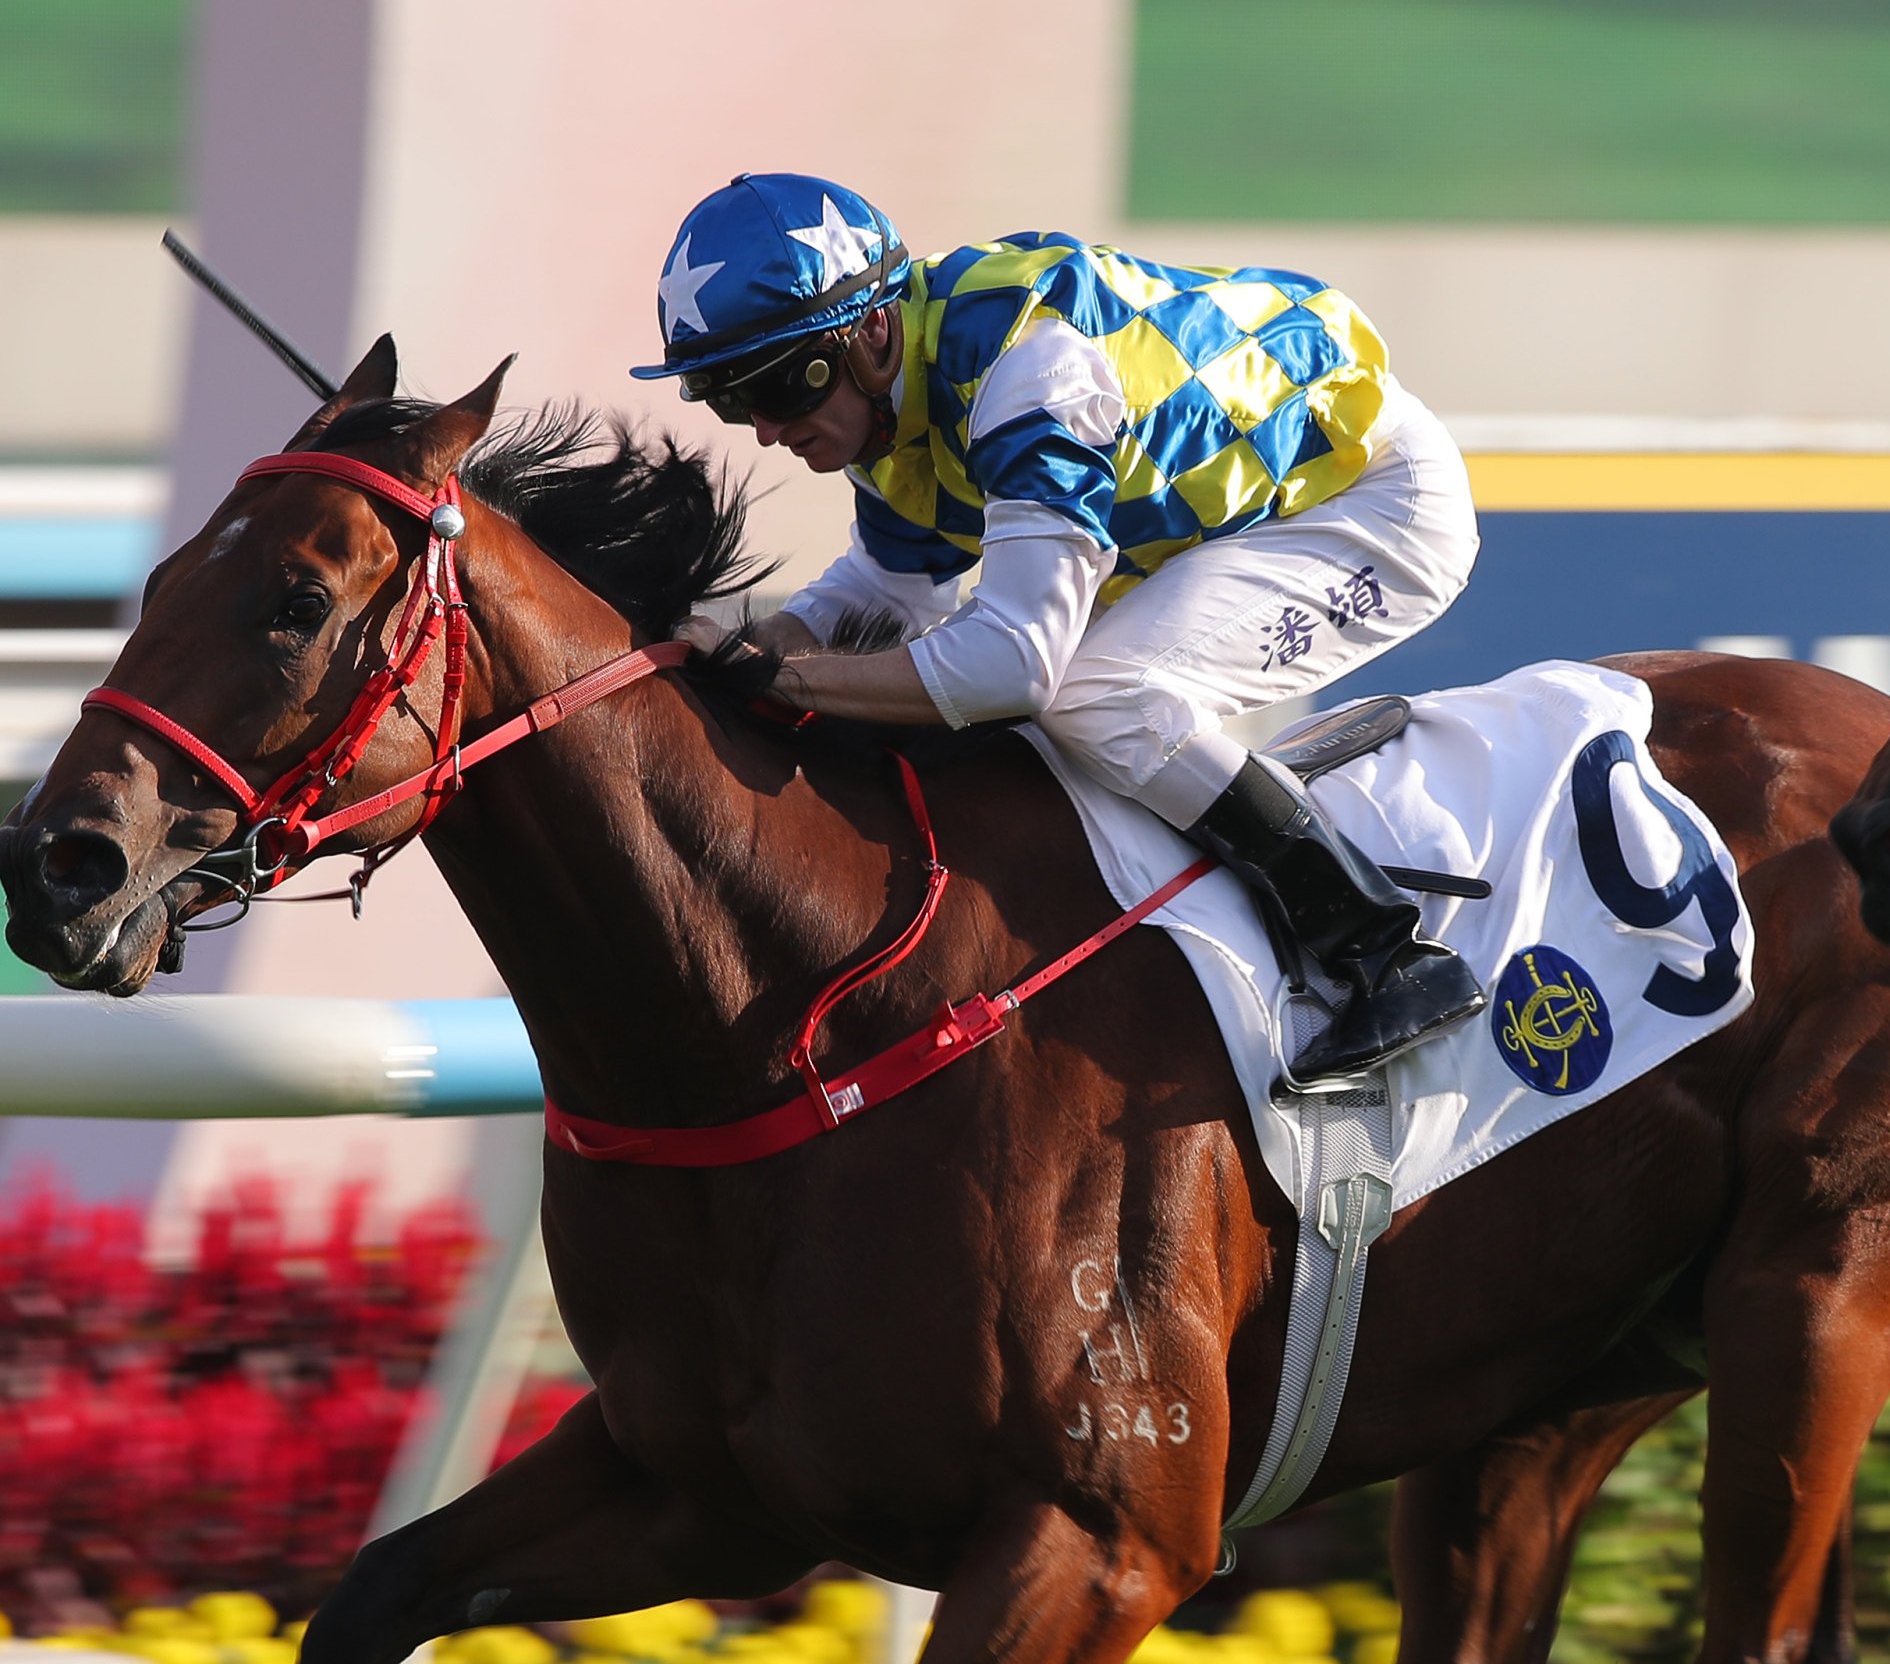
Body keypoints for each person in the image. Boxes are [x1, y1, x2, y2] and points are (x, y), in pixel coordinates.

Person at [633, 172, 1486, 1086]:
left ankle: (1383, 952)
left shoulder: (1028, 375)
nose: (765, 430)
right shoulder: (894, 400)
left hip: (1370, 503)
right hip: (1236, 521)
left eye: (778, 385)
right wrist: (746, 641)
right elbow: (888, 588)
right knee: (1056, 701)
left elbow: (1011, 667)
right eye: (730, 399)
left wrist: (783, 679)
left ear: (873, 330)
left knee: (1098, 698)